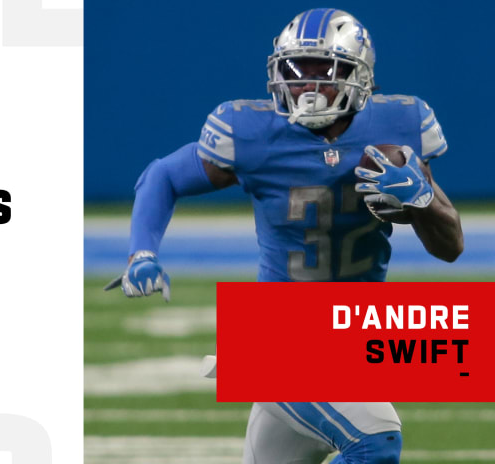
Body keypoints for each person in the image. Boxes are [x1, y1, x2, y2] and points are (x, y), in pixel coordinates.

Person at [105, 8, 463, 464]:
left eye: (324, 73)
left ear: (360, 77)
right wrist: (141, 252)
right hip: (279, 339)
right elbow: (164, 177)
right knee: (376, 441)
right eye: (297, 72)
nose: (307, 87)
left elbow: (451, 248)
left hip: (350, 339)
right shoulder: (251, 132)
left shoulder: (399, 127)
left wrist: (422, 201)